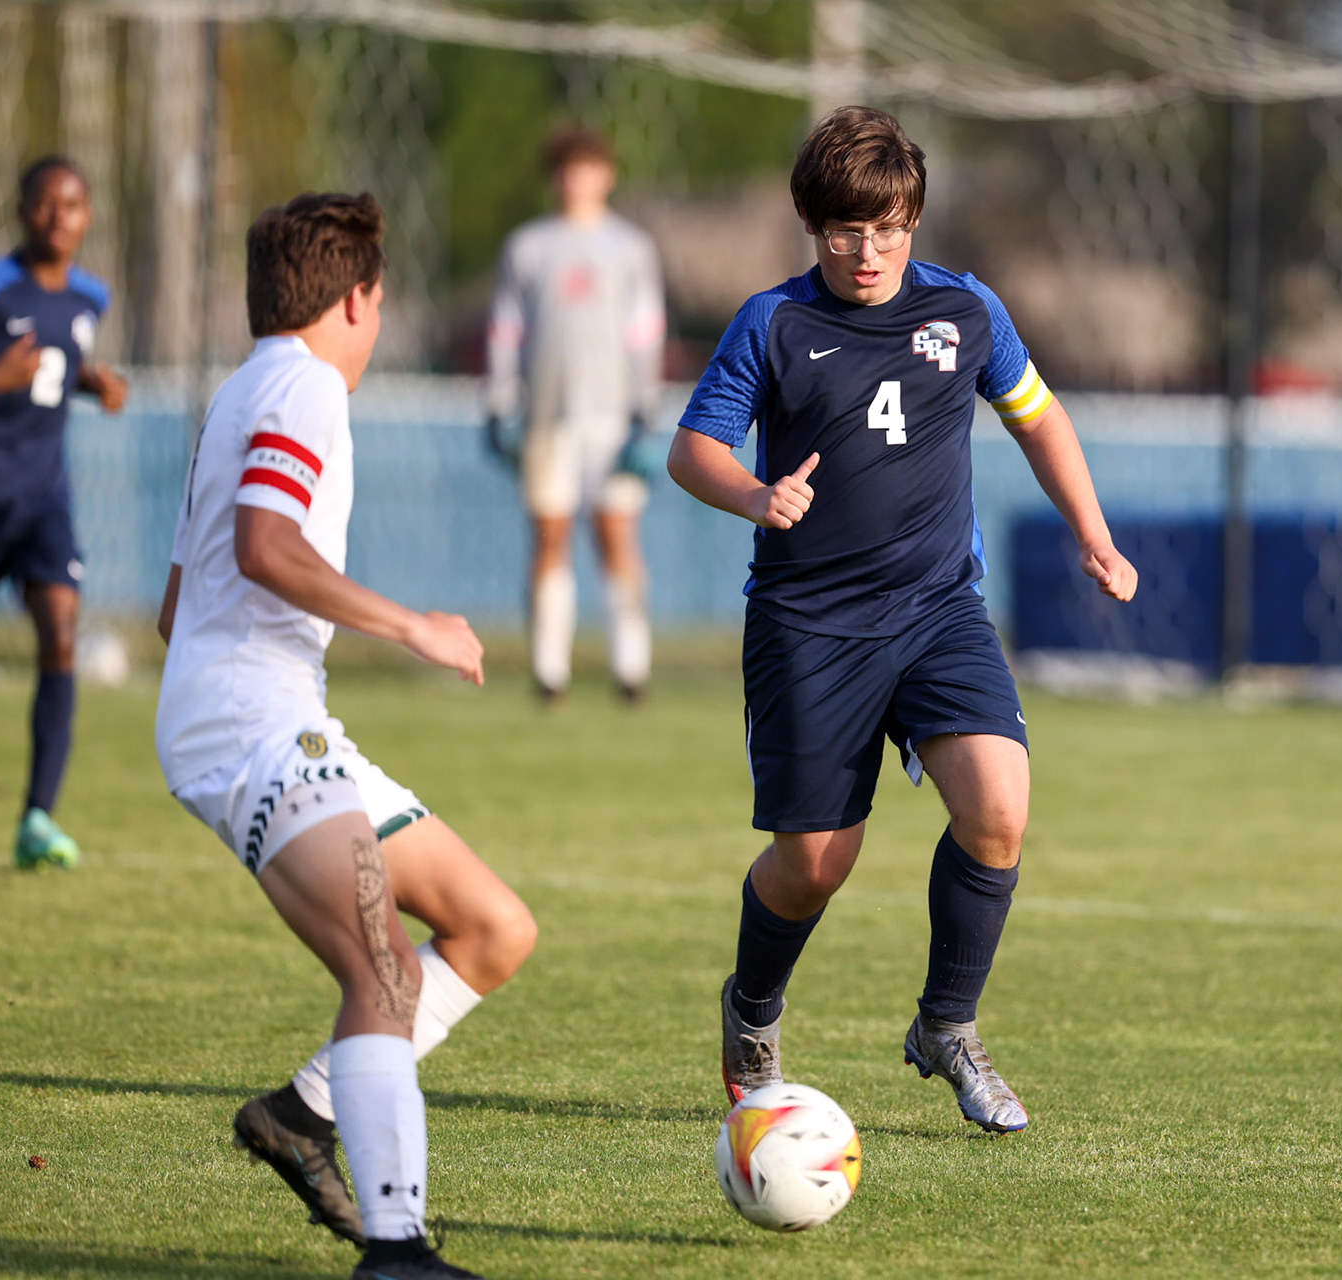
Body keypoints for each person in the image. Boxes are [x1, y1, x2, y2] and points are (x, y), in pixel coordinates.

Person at [669, 107, 1138, 1134]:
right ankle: (753, 1006)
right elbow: (691, 448)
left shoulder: (966, 311)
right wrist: (755, 495)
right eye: (846, 229)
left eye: (887, 227)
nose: (868, 249)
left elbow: (1039, 416)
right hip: (810, 624)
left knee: (999, 805)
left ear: (913, 219)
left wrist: (1094, 536)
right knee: (814, 863)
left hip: (938, 609)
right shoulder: (772, 322)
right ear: (814, 225)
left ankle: (947, 1025)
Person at [155, 192, 535, 1280]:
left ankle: (299, 1112)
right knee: (383, 971)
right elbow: (267, 545)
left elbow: (184, 604)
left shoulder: (245, 387)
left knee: (491, 927)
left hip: (268, 714)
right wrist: (412, 622)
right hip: (255, 722)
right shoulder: (306, 388)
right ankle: (396, 1245)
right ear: (358, 297)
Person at [0, 155, 128, 869]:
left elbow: (54, 365)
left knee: (62, 636)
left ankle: (38, 818)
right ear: (22, 210)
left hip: (45, 503)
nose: (57, 217)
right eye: (45, 203)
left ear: (87, 216)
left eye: (71, 205)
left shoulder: (89, 298)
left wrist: (92, 381)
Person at [485, 124, 665, 704]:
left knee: (616, 534)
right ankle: (549, 672)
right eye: (566, 168)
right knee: (550, 535)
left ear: (606, 175)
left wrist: (646, 409)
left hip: (612, 417)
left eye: (588, 167)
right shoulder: (527, 247)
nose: (577, 180)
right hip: (545, 415)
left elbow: (645, 332)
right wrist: (500, 403)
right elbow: (506, 331)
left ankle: (631, 669)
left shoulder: (631, 248)